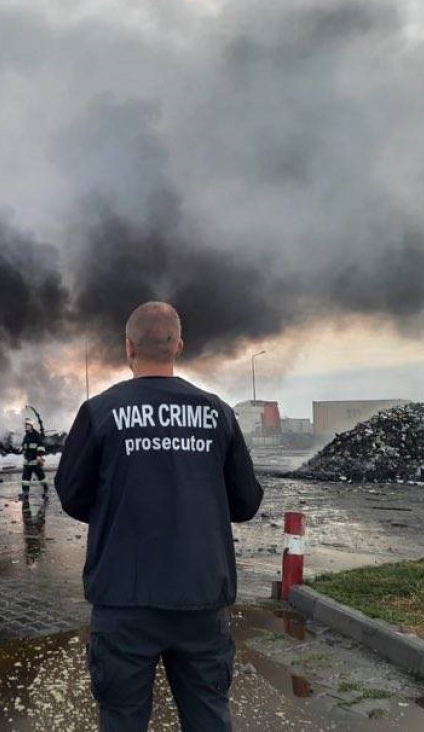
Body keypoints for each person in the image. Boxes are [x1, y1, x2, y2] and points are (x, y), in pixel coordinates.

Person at [54, 301, 264, 731]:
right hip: (202, 598)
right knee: (208, 717)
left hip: (123, 601)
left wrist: (117, 509)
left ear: (128, 348)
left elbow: (72, 497)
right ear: (179, 346)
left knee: (122, 719)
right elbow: (246, 504)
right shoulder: (218, 413)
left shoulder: (99, 412)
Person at [20, 417, 47, 498]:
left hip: (35, 461)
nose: (26, 426)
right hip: (27, 462)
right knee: (25, 479)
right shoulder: (26, 436)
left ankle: (45, 490)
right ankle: (25, 493)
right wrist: (22, 449)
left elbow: (41, 446)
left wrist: (39, 456)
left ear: (31, 426)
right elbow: (25, 446)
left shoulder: (36, 435)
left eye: (27, 425)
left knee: (41, 477)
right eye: (25, 425)